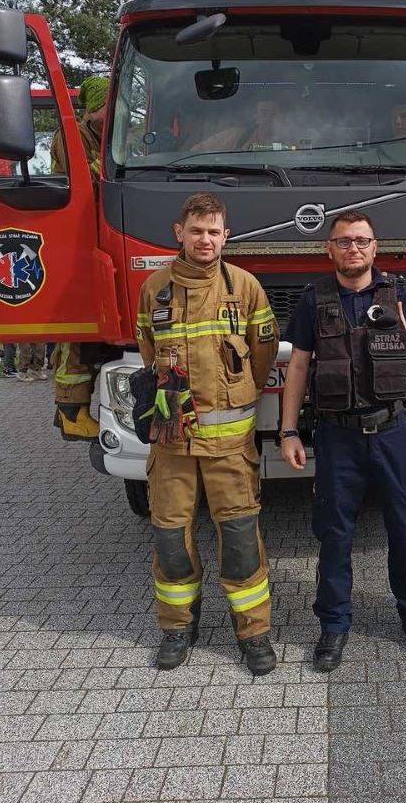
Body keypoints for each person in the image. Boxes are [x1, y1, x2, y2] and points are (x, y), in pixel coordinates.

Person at [280, 210, 406, 670]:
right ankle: (333, 625)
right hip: (337, 437)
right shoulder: (314, 300)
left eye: (362, 241)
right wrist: (289, 430)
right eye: (344, 241)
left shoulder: (398, 291)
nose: (354, 248)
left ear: (375, 246)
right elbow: (298, 367)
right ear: (329, 248)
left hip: (392, 431)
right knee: (333, 533)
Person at [135, 193, 279, 674]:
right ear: (180, 233)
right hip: (171, 442)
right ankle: (178, 629)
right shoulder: (154, 290)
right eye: (197, 230)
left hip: (230, 448)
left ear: (226, 235)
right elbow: (147, 352)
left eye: (214, 231)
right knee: (170, 538)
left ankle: (253, 634)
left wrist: (239, 396)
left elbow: (263, 354)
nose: (205, 239)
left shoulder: (246, 287)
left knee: (239, 540)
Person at [51, 76, 112, 440]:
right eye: (106, 107)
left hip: (95, 234)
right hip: (75, 236)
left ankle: (77, 409)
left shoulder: (102, 133)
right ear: (93, 107)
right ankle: (70, 413)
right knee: (76, 332)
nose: (110, 114)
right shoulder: (70, 135)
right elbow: (83, 178)